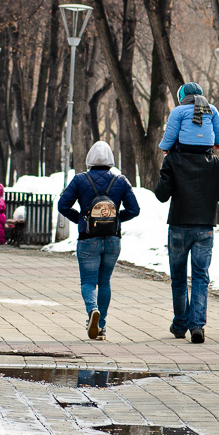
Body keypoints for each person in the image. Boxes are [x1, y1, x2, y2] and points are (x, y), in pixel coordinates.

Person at [155, 128, 219, 343]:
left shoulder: (173, 160)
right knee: (200, 276)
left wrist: (167, 168)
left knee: (178, 277)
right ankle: (197, 326)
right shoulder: (214, 163)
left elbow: (162, 194)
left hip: (179, 226)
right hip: (205, 227)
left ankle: (180, 324)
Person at [57, 142, 139, 340]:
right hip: (113, 239)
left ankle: (92, 310)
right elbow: (134, 210)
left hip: (88, 238)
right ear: (111, 160)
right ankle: (101, 326)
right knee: (105, 282)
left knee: (88, 281)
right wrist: (117, 219)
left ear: (89, 160)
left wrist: (80, 219)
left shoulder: (79, 180)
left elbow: (63, 205)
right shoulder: (121, 181)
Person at [158, 82, 219, 153]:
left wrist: (165, 147)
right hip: (206, 146)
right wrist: (218, 142)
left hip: (185, 146)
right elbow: (217, 128)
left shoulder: (178, 111)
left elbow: (171, 132)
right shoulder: (212, 109)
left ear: (182, 96)